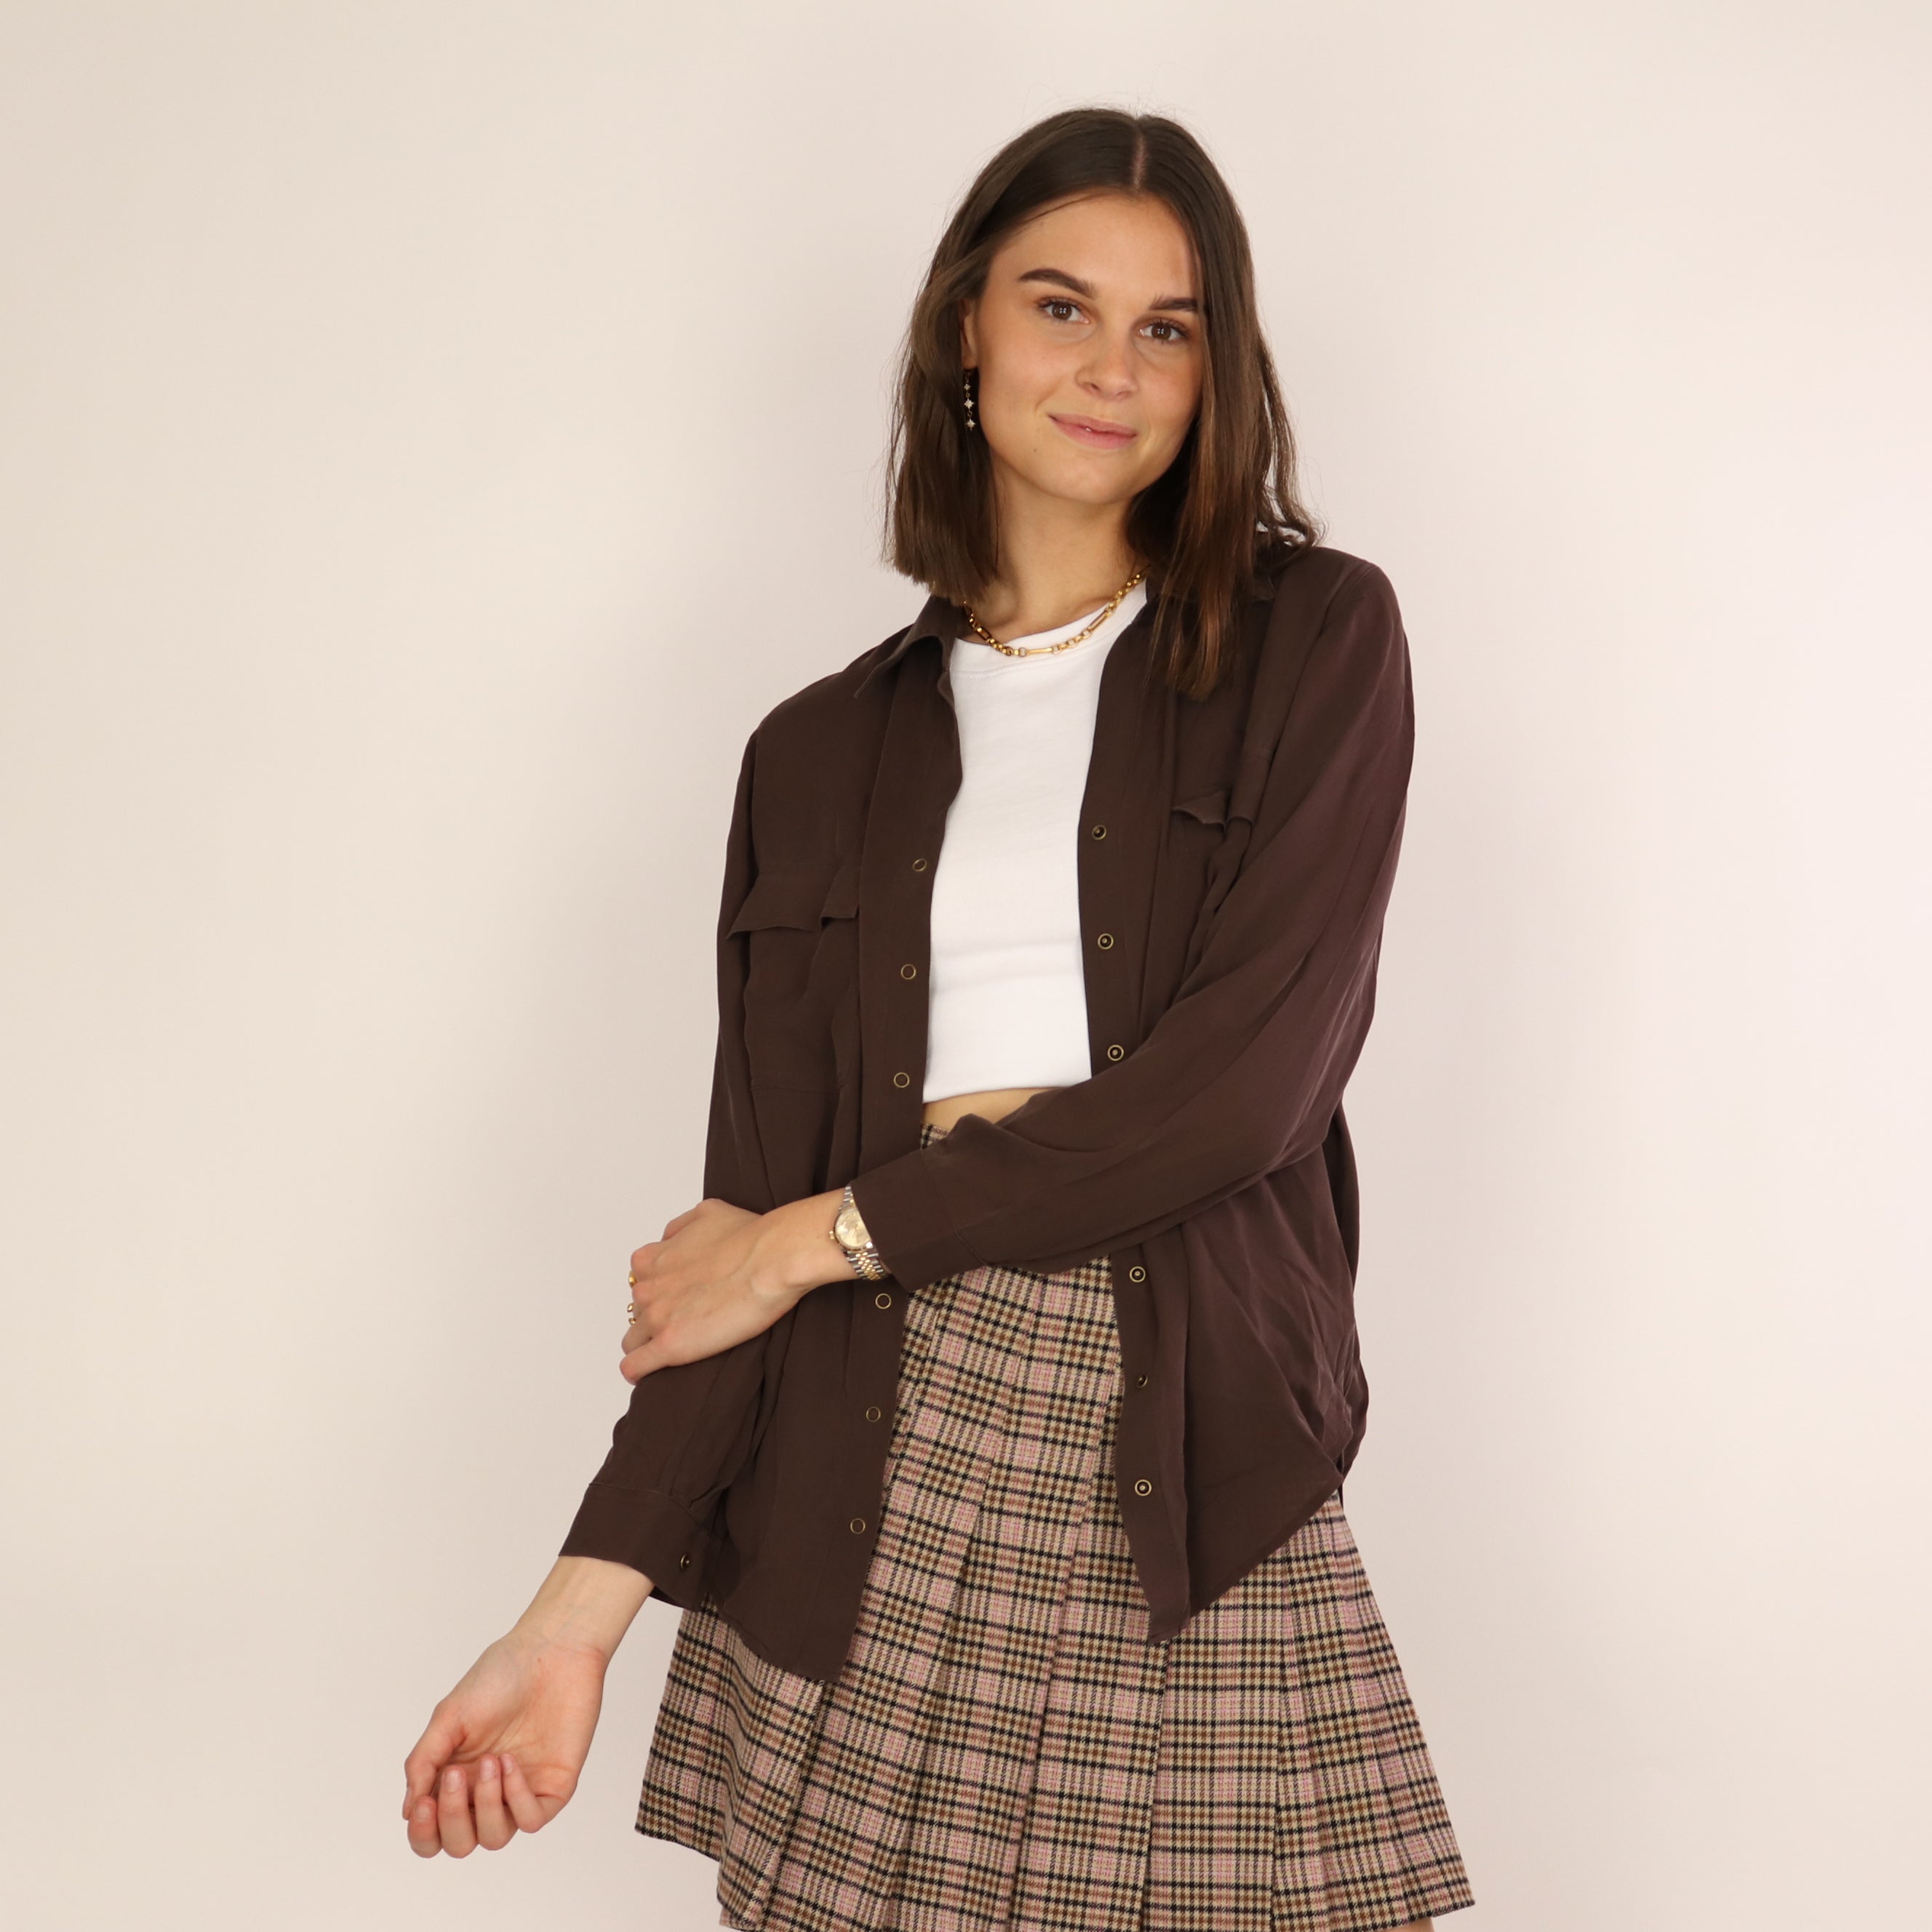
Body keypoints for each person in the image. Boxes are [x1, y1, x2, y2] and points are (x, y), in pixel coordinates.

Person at [402, 105, 1474, 1932]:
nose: (1111, 368)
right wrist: (569, 1615)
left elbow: (1242, 1092)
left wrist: (823, 1233)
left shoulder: (1314, 637)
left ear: (1215, 369)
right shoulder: (813, 751)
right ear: (963, 328)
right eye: (1060, 306)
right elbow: (739, 1234)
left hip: (1172, 1440)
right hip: (866, 1445)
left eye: (1167, 326)